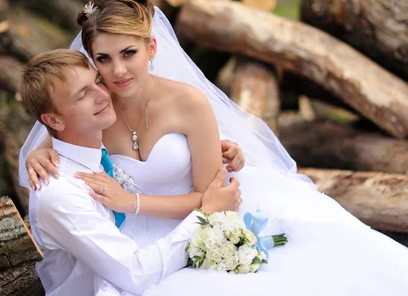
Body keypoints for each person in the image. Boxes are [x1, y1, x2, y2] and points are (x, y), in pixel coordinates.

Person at [21, 0, 408, 295]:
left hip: (199, 223)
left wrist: (129, 201)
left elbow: (214, 197)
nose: (117, 72)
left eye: (129, 54)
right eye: (103, 58)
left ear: (152, 48)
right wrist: (37, 155)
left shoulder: (188, 104)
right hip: (137, 246)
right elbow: (63, 136)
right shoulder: (96, 107)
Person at [19, 49, 242, 295]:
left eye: (97, 81)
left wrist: (215, 147)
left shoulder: (92, 147)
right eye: (83, 95)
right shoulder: (59, 194)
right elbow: (136, 273)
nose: (104, 94)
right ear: (54, 121)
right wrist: (206, 214)